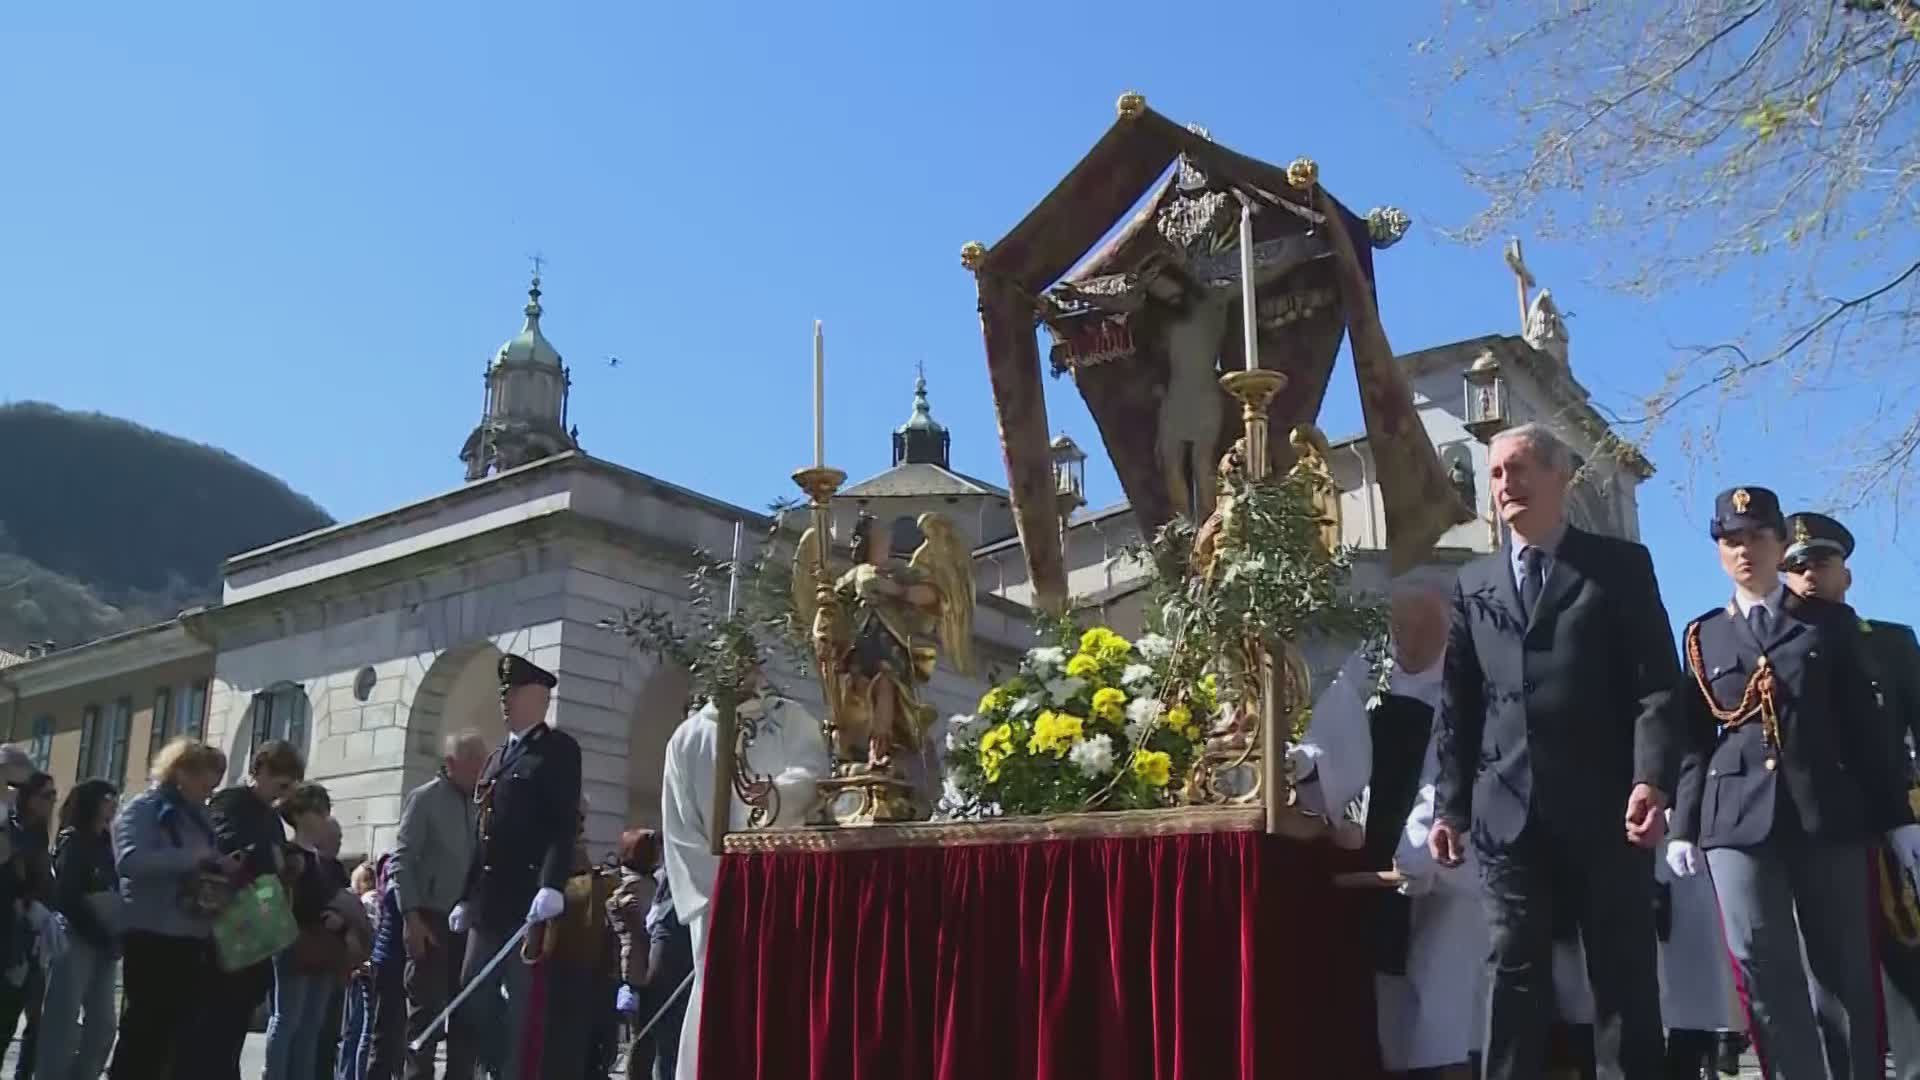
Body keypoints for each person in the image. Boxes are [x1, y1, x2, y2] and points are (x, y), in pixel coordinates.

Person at [1429, 422, 1682, 1079]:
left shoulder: (1621, 567)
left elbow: (1657, 685)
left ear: (1558, 476)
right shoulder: (1474, 583)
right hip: (1505, 814)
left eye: (1518, 469)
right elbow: (1459, 706)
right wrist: (1450, 807)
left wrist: (1651, 779)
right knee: (1512, 967)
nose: (1504, 485)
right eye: (1495, 473)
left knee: (1621, 973)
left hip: (1606, 810)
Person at [1666, 486, 1920, 1080]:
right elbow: (1694, 742)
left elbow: (1867, 732)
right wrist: (1683, 825)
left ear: (1779, 543)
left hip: (1826, 812)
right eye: (1731, 540)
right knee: (1762, 966)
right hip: (1734, 821)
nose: (1744, 550)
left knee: (1842, 969)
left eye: (1756, 536)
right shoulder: (1703, 636)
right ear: (1719, 552)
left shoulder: (1830, 623)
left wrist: (1898, 820)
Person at [1781, 508, 1920, 1078]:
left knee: (1907, 962)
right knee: (1832, 972)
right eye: (1796, 565)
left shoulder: (1888, 643)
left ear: (1847, 574)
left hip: (1889, 823)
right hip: (1814, 829)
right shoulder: (1770, 644)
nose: (1809, 573)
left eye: (1822, 561)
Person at [660, 664, 828, 1080]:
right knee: (717, 998)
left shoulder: (790, 719)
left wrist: (778, 795)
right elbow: (679, 828)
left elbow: (815, 775)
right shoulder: (687, 738)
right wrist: (717, 890)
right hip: (716, 899)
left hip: (785, 890)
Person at [447, 654, 579, 1080]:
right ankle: (498, 1064)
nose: (506, 700)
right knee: (472, 994)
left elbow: (562, 824)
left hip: (528, 903)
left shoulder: (558, 750)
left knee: (524, 1009)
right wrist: (467, 896)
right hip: (489, 902)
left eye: (515, 692)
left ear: (539, 697)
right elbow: (483, 836)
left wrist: (552, 884)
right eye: (504, 693)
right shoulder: (496, 758)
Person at [109, 737, 232, 1080]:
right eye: (205, 784)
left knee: (180, 1037)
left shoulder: (199, 817)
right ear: (180, 773)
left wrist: (222, 866)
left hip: (192, 935)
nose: (208, 793)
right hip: (152, 933)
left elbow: (205, 858)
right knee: (143, 1033)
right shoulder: (142, 809)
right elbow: (130, 862)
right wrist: (194, 859)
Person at [372, 731, 486, 1080]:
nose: (481, 773)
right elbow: (402, 861)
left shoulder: (479, 806)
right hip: (429, 921)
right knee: (426, 1018)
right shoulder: (424, 799)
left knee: (466, 1018)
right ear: (451, 764)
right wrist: (412, 917)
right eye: (474, 766)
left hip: (465, 925)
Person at [207, 739, 308, 1080]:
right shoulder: (231, 802)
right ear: (261, 770)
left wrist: (288, 860)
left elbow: (275, 859)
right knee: (215, 1033)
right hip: (229, 926)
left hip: (258, 928)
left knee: (234, 1027)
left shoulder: (271, 817)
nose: (283, 795)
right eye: (281, 785)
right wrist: (271, 857)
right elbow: (227, 846)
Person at [35, 779, 119, 1080]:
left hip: (105, 940)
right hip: (77, 934)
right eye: (109, 797)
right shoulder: (74, 839)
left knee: (104, 1024)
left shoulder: (107, 842)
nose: (114, 803)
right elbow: (66, 895)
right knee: (63, 1020)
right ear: (93, 801)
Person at [266, 783, 349, 1080]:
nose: (324, 817)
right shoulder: (289, 854)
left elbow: (334, 899)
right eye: (318, 810)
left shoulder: (322, 860)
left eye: (326, 810)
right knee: (288, 1019)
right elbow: (281, 900)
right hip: (293, 943)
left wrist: (338, 917)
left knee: (312, 1025)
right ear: (299, 814)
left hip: (322, 946)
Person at [608, 828, 691, 1080]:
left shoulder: (648, 882)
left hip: (642, 967)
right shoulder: (633, 887)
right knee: (642, 1037)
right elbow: (638, 929)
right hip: (636, 970)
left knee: (645, 1037)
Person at [0, 772, 59, 1080]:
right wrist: (29, 902)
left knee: (33, 1017)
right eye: (45, 795)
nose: (51, 802)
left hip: (32, 936)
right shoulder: (12, 829)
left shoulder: (37, 833)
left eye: (54, 796)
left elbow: (44, 883)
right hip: (11, 933)